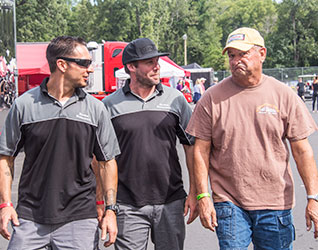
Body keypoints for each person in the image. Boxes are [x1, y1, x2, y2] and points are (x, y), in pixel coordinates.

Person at [186, 27, 318, 249]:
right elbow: (200, 150)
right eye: (231, 55)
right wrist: (203, 196)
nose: (236, 60)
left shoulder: (284, 96)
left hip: (275, 202)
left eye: (243, 53)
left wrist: (313, 198)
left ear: (262, 54)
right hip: (229, 202)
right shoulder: (211, 98)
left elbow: (302, 151)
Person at [0, 36, 120, 249]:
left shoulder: (95, 109)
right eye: (84, 63)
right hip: (30, 217)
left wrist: (110, 209)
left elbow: (107, 162)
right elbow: (6, 157)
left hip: (80, 219)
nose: (89, 69)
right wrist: (6, 204)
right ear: (62, 65)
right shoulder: (24, 105)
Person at [101, 38, 197, 250]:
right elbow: (101, 160)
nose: (157, 67)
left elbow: (191, 146)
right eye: (150, 62)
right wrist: (105, 204)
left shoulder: (176, 100)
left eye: (157, 61)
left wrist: (195, 192)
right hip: (127, 205)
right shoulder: (109, 106)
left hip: (170, 201)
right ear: (131, 67)